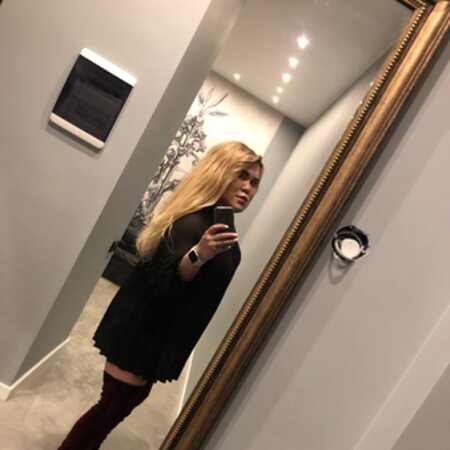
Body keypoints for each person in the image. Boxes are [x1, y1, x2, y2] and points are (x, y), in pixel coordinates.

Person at [57, 141, 263, 449]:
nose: (248, 187)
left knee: (121, 404)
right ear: (220, 171)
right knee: (111, 406)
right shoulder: (192, 222)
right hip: (143, 329)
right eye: (241, 175)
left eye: (255, 182)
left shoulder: (215, 226)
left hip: (161, 333)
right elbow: (162, 282)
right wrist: (200, 254)